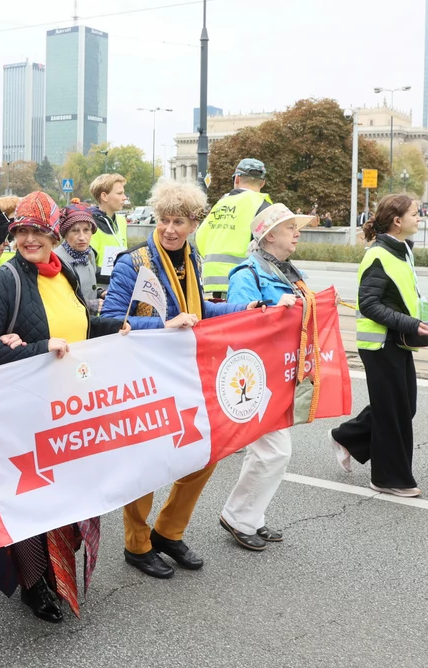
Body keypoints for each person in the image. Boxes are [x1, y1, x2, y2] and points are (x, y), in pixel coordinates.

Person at [0, 191, 129, 624]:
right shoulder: (8, 279)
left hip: (69, 407)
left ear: (54, 235)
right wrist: (37, 348)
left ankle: (57, 575)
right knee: (34, 501)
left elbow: (80, 326)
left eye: (38, 230)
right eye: (21, 231)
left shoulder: (64, 276)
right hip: (25, 412)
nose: (29, 239)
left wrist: (123, 325)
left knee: (67, 497)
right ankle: (35, 585)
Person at [102, 180, 256, 579]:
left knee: (204, 453)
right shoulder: (132, 263)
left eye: (179, 221)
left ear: (193, 223)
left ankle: (168, 531)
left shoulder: (194, 258)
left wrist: (246, 308)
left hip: (187, 372)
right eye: (164, 220)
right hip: (143, 376)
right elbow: (110, 321)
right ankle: (137, 545)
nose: (170, 229)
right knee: (147, 464)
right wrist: (163, 324)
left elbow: (199, 307)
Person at [219, 203, 316, 550]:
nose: (297, 233)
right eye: (291, 227)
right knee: (275, 451)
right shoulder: (247, 275)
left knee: (265, 451)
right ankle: (238, 516)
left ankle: (252, 516)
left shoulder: (288, 271)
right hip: (256, 378)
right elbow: (240, 325)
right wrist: (277, 312)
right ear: (270, 235)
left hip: (278, 374)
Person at [331, 195, 428, 498]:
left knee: (403, 406)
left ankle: (347, 436)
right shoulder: (379, 255)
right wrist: (410, 324)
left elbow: (400, 297)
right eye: (415, 213)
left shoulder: (400, 250)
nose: (419, 218)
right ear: (397, 221)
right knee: (392, 411)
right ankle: (388, 478)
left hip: (397, 342)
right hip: (380, 345)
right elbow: (369, 304)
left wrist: (423, 319)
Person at [195, 158, 273, 298]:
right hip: (244, 280)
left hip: (212, 281)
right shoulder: (263, 206)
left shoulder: (221, 203)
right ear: (262, 183)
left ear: (237, 178)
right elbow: (270, 246)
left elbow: (200, 238)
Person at [55, 204, 105, 314]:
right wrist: (90, 305)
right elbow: (58, 300)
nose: (82, 237)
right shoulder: (57, 259)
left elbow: (87, 287)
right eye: (75, 231)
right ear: (65, 234)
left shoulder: (89, 253)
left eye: (86, 230)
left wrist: (100, 292)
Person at [88, 173, 130, 282]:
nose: (124, 198)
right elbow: (87, 269)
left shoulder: (121, 221)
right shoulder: (89, 225)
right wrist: (118, 275)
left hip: (120, 285)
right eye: (119, 193)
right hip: (100, 290)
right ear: (104, 196)